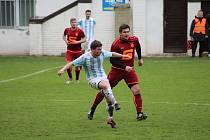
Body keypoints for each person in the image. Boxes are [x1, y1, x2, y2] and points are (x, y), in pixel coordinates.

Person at [57, 40, 131, 128]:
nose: (100, 51)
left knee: (108, 99)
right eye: (98, 50)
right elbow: (71, 63)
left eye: (101, 49)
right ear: (92, 49)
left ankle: (109, 119)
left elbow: (112, 54)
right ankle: (115, 103)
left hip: (103, 78)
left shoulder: (102, 53)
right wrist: (63, 69)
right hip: (92, 80)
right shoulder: (84, 57)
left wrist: (123, 55)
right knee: (105, 87)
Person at [87, 24, 147, 121]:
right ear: (120, 33)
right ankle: (92, 109)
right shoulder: (116, 44)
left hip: (129, 71)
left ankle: (139, 114)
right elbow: (112, 60)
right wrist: (124, 66)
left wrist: (140, 58)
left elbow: (138, 46)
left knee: (136, 90)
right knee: (104, 91)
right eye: (124, 32)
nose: (126, 34)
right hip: (116, 71)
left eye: (128, 31)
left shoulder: (134, 39)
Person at [63, 18, 86, 84]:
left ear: (77, 23)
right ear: (70, 23)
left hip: (78, 52)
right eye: (72, 22)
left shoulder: (80, 31)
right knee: (68, 65)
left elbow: (84, 39)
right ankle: (70, 78)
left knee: (77, 68)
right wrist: (66, 41)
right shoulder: (67, 30)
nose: (74, 23)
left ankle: (77, 79)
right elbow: (64, 36)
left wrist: (77, 42)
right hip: (69, 51)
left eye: (75, 22)